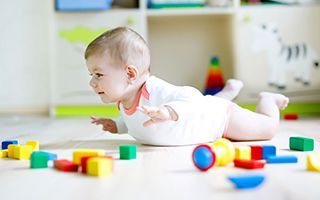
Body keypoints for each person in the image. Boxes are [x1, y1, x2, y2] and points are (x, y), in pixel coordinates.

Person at [85, 27, 289, 146]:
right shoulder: (124, 101)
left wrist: (169, 112)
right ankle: (227, 92)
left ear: (130, 74)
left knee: (267, 129)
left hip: (220, 120)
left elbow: (192, 98)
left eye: (98, 75)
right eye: (91, 75)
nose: (92, 82)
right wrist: (118, 125)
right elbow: (135, 119)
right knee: (207, 104)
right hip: (204, 112)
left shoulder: (155, 90)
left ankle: (268, 100)